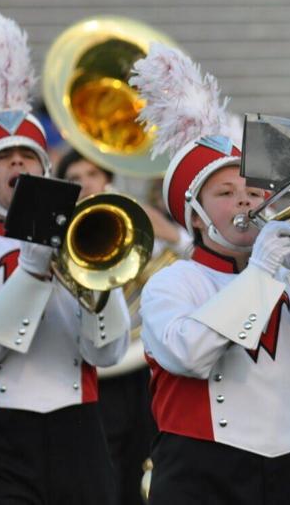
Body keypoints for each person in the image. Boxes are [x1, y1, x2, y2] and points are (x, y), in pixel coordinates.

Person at [131, 44, 290, 504]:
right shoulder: (172, 282)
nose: (246, 201)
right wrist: (263, 270)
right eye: (225, 192)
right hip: (200, 477)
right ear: (193, 215)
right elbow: (191, 354)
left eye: (252, 189)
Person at [0, 14, 130, 504]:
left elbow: (107, 352)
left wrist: (92, 276)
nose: (18, 164)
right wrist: (30, 270)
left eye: (28, 156)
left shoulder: (82, 244)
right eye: (3, 159)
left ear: (47, 169)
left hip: (79, 433)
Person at [56, 148, 193, 505]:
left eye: (92, 174)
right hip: (93, 368)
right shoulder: (57, 236)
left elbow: (184, 260)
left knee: (147, 462)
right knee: (102, 468)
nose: (85, 184)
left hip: (142, 365)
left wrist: (165, 230)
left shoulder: (132, 219)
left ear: (107, 180)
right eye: (75, 178)